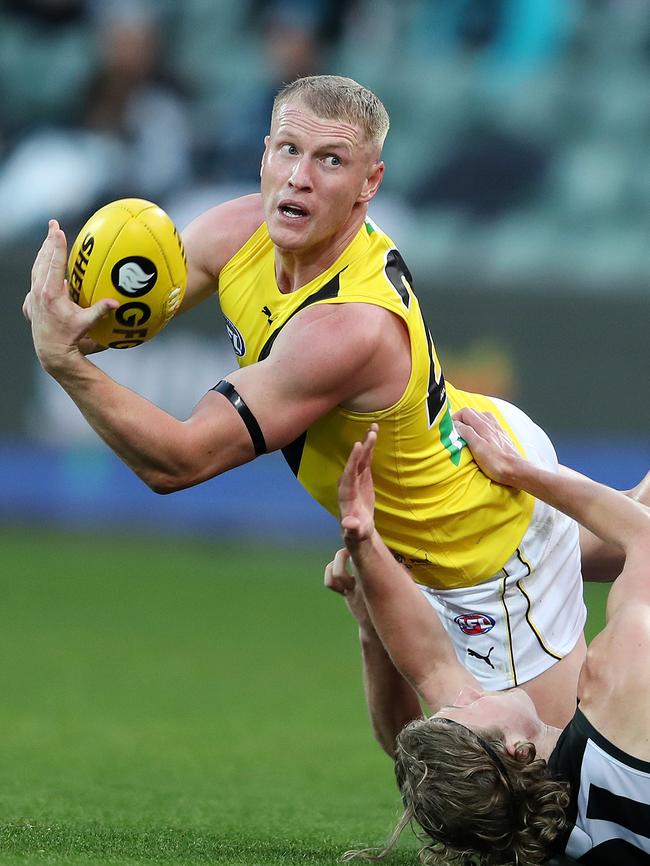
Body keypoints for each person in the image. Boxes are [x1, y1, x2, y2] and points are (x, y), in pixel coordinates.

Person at [25, 74, 591, 726]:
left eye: (331, 160)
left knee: (528, 803)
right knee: (627, 533)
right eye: (289, 150)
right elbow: (132, 306)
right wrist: (79, 315)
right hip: (474, 447)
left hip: (477, 553)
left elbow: (177, 462)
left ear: (369, 184)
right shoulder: (243, 229)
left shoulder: (347, 328)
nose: (300, 177)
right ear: (264, 152)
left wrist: (62, 360)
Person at [331, 413, 650, 864]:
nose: (464, 694)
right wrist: (518, 472)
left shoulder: (526, 836)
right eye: (466, 707)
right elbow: (645, 536)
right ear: (519, 751)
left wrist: (366, 547)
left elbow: (431, 667)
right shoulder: (614, 694)